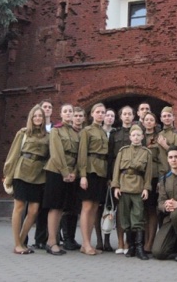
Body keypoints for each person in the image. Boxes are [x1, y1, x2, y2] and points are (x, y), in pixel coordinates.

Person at [3, 104, 50, 254]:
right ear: (31, 118)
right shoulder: (23, 133)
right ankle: (17, 244)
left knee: (34, 210)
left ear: (44, 118)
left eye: (40, 116)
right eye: (35, 116)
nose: (38, 118)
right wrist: (8, 176)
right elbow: (13, 155)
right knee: (19, 207)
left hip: (39, 174)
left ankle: (22, 241)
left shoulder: (48, 136)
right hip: (21, 172)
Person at [111, 124, 152, 261]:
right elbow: (116, 169)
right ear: (130, 137)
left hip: (138, 187)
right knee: (124, 217)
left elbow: (148, 173)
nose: (136, 137)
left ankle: (139, 247)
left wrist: (146, 188)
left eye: (138, 135)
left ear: (142, 137)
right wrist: (116, 186)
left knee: (138, 216)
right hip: (123, 186)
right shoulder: (123, 151)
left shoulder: (146, 153)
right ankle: (131, 246)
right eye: (133, 135)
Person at [43, 103, 79, 255]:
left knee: (63, 208)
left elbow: (79, 155)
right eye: (65, 111)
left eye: (70, 111)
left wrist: (74, 172)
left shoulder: (77, 133)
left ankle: (55, 240)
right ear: (61, 114)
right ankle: (51, 242)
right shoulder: (56, 130)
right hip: (56, 172)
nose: (68, 113)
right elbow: (56, 153)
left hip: (70, 174)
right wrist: (65, 172)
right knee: (55, 207)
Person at [77, 102, 108, 255]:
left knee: (95, 208)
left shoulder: (103, 132)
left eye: (103, 112)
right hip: (89, 171)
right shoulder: (86, 131)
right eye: (98, 112)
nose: (101, 114)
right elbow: (82, 153)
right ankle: (86, 243)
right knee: (87, 207)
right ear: (92, 114)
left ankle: (87, 243)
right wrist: (82, 175)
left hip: (101, 172)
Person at [108, 105, 135, 254]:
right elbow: (110, 157)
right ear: (120, 116)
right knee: (119, 211)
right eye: (124, 114)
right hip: (118, 176)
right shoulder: (114, 134)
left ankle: (128, 241)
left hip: (133, 178)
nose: (127, 116)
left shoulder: (137, 133)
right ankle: (119, 241)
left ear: (133, 116)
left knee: (131, 210)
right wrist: (111, 178)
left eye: (129, 114)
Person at [60, 106, 86, 251]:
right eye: (75, 115)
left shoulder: (84, 133)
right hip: (66, 173)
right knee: (65, 206)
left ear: (83, 118)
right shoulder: (66, 132)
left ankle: (71, 238)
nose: (77, 118)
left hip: (77, 174)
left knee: (75, 207)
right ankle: (65, 238)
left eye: (80, 115)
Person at [31, 99, 54, 249]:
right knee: (32, 206)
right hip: (33, 171)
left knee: (46, 206)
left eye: (49, 107)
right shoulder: (31, 129)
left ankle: (42, 238)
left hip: (49, 171)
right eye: (44, 107)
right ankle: (24, 238)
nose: (47, 109)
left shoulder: (54, 128)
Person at [94, 108, 116, 252]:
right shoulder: (98, 132)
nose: (109, 118)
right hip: (98, 172)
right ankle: (99, 240)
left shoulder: (115, 133)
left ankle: (107, 240)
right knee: (97, 207)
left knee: (109, 207)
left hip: (111, 174)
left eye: (112, 116)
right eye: (107, 115)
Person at [142, 111, 161, 253]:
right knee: (142, 210)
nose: (148, 122)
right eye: (146, 119)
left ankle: (150, 242)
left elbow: (162, 159)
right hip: (140, 177)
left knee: (152, 210)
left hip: (154, 176)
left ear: (155, 123)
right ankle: (142, 241)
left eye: (151, 120)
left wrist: (161, 178)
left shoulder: (159, 137)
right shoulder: (139, 136)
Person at [157, 106, 177, 177]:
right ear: (161, 119)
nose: (167, 118)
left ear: (173, 118)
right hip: (161, 170)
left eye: (169, 115)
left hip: (173, 169)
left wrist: (165, 146)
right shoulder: (159, 134)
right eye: (164, 116)